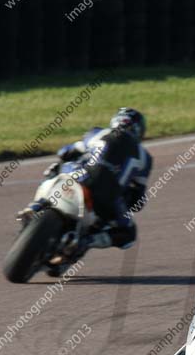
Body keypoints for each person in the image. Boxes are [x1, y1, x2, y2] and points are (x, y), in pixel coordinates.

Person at [44, 107, 152, 269]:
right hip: (107, 195)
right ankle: (87, 241)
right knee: (128, 235)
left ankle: (38, 204)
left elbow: (64, 152)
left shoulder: (97, 132)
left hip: (77, 175)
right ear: (139, 131)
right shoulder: (145, 157)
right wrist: (125, 200)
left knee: (56, 168)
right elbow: (138, 198)